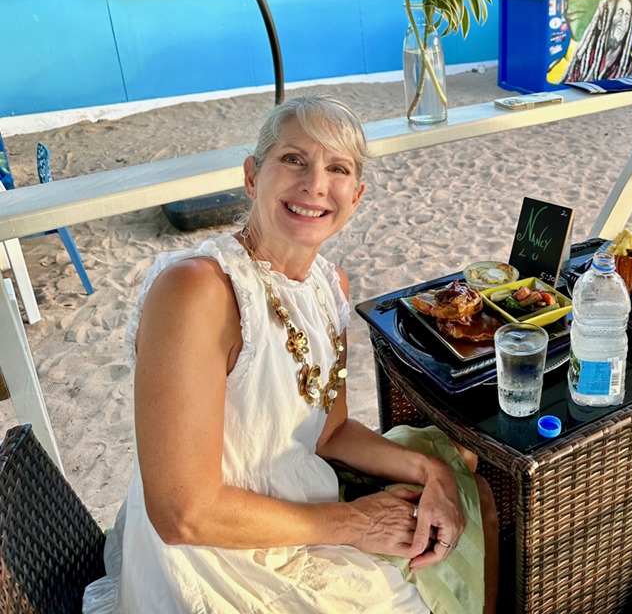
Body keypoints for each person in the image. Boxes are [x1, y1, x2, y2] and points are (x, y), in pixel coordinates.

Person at [83, 95, 498, 613]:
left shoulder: (329, 285)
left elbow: (330, 432)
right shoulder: (197, 291)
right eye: (293, 159)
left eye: (337, 168)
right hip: (214, 558)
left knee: (466, 483)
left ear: (356, 196)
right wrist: (357, 523)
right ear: (252, 176)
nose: (315, 184)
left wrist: (431, 473)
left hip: (299, 507)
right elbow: (182, 514)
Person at [561, 0, 632, 82]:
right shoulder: (584, 60)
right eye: (619, 13)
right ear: (601, 23)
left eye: (627, 16)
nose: (623, 21)